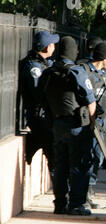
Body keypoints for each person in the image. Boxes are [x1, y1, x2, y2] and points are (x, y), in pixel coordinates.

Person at [40, 36, 97, 215]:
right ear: (73, 51)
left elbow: (42, 97)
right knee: (79, 164)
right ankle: (76, 204)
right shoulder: (77, 72)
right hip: (77, 125)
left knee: (60, 165)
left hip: (57, 124)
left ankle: (59, 203)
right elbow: (90, 100)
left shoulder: (48, 72)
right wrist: (93, 124)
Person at [19, 31, 59, 179]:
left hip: (44, 117)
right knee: (53, 155)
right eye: (52, 44)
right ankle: (61, 196)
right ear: (47, 47)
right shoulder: (34, 67)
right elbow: (39, 94)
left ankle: (33, 145)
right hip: (39, 117)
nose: (54, 46)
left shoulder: (43, 63)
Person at [79, 42, 106, 209]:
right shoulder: (85, 71)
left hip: (102, 119)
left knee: (99, 156)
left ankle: (90, 187)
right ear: (104, 57)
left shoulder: (105, 72)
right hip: (90, 120)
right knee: (88, 156)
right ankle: (85, 192)